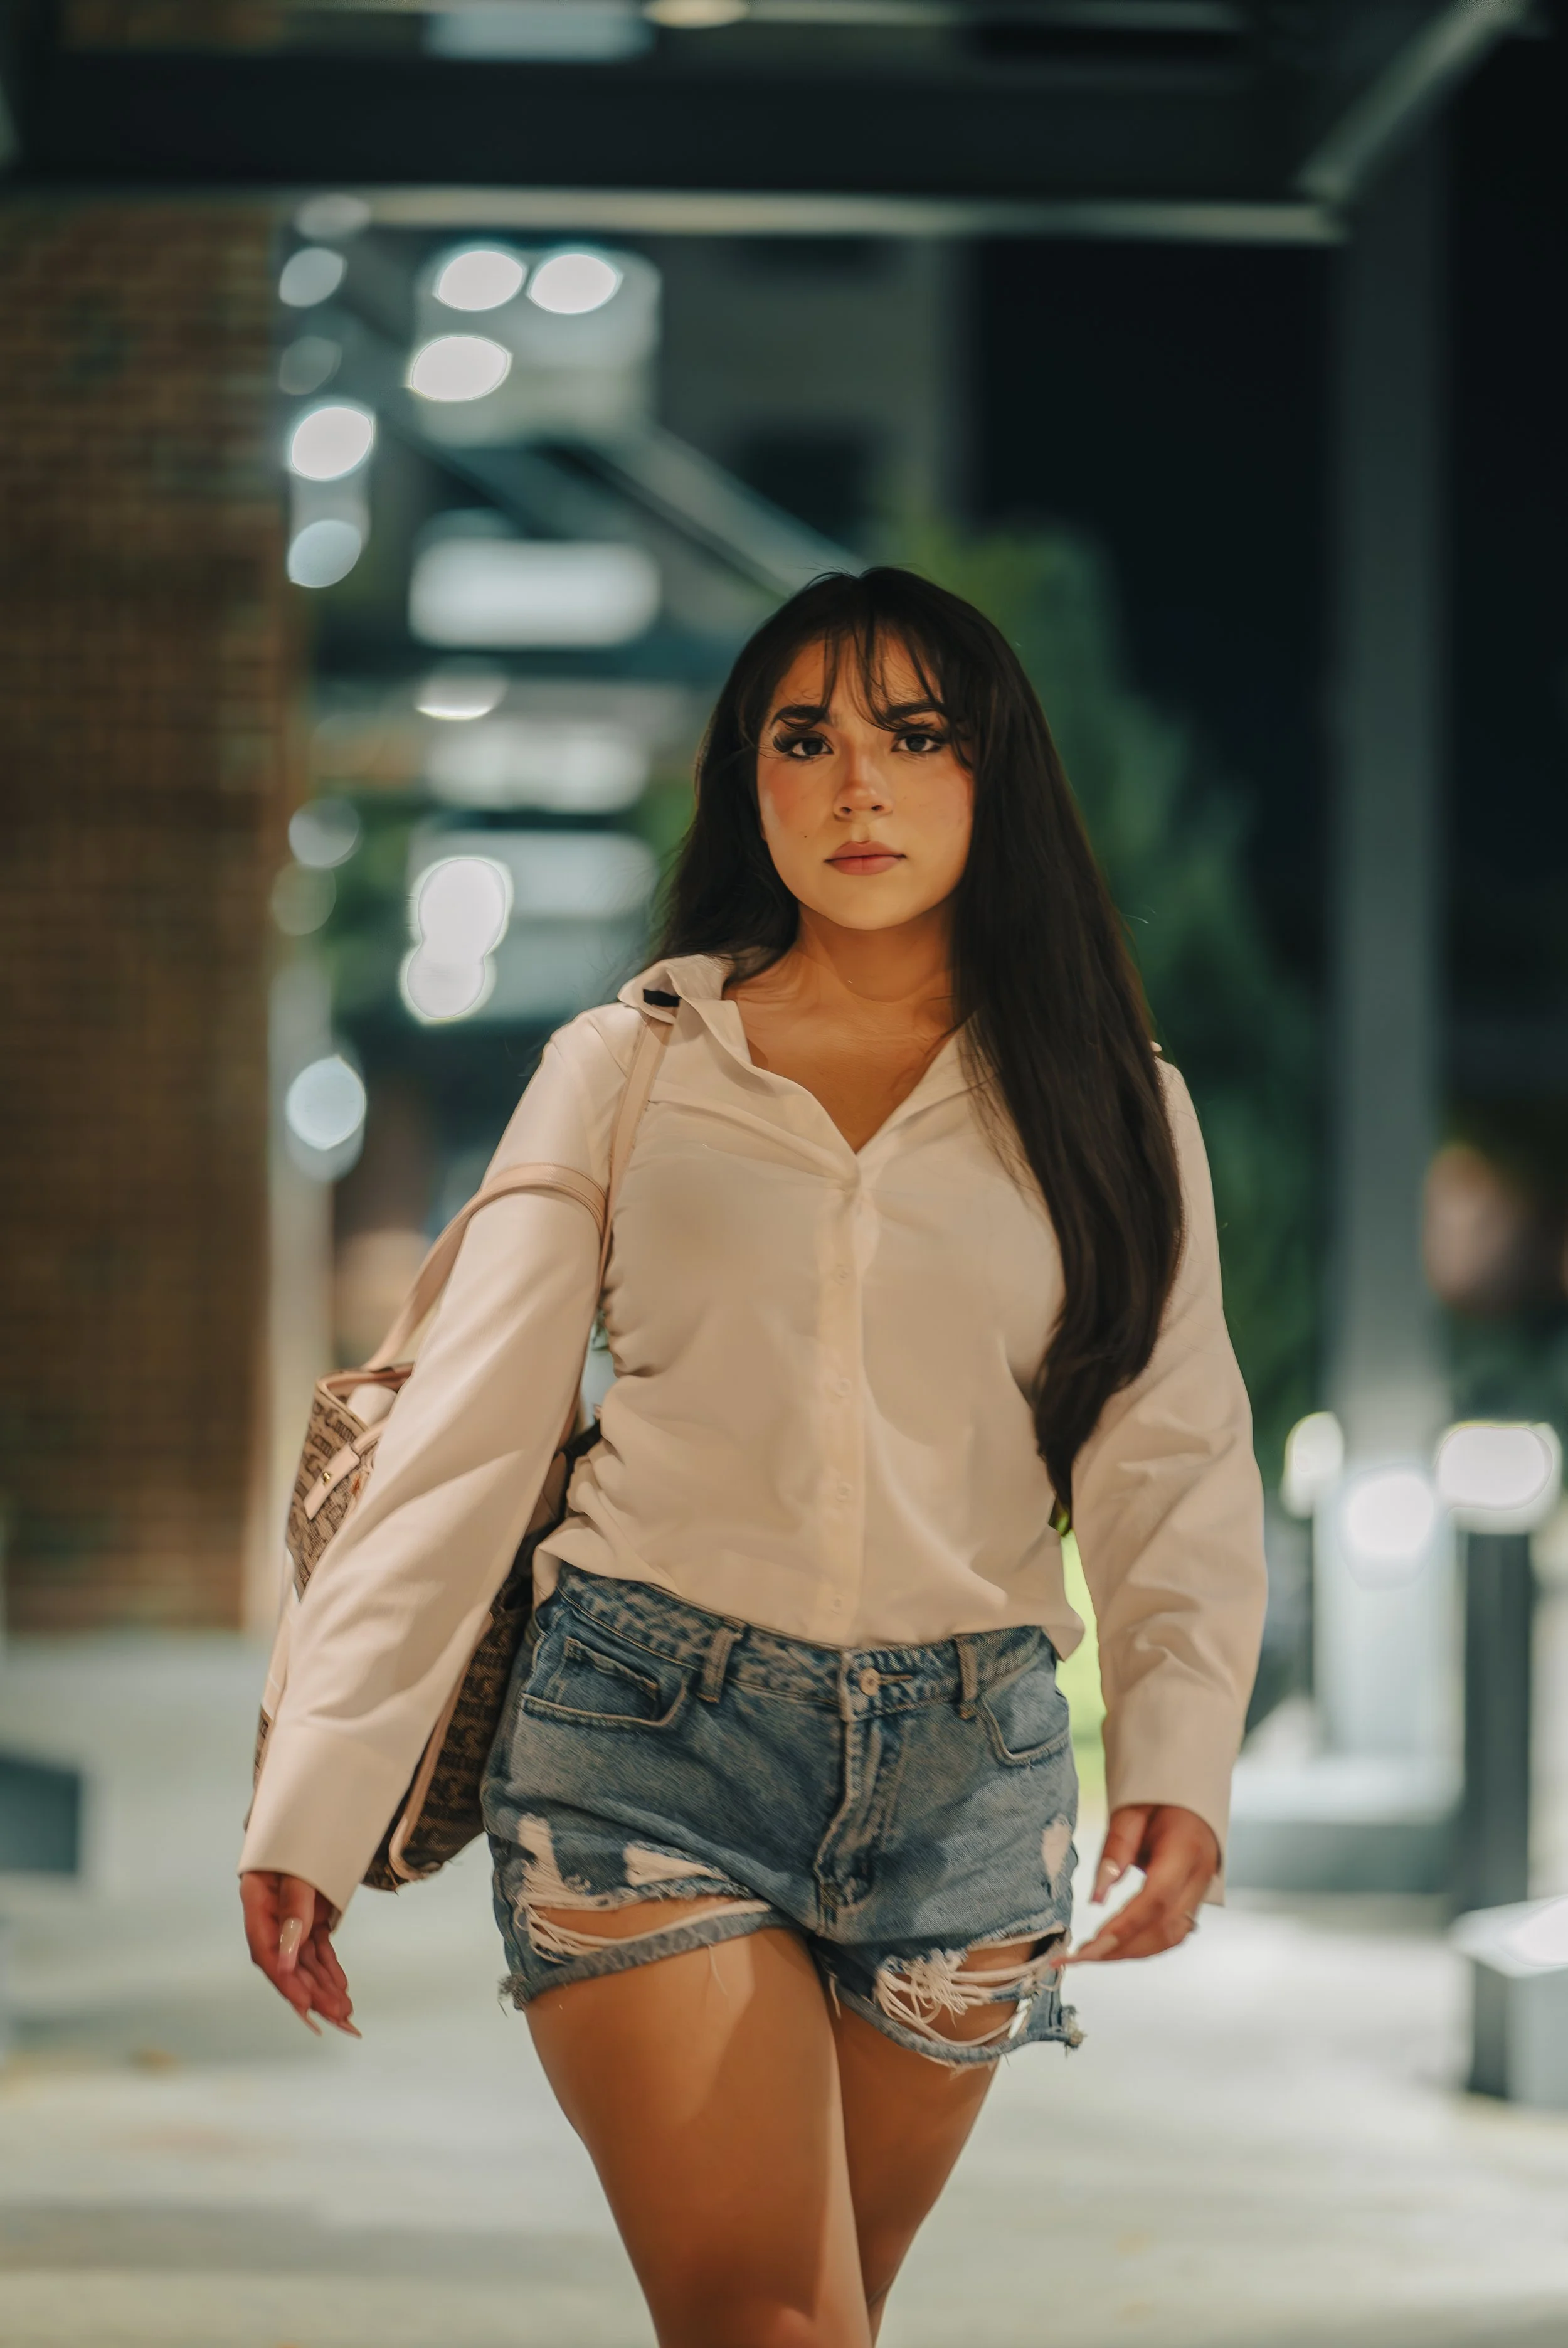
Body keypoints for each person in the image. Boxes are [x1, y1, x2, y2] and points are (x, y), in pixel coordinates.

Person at [240, 567, 1266, 2347]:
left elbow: (1167, 1449)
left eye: (911, 735)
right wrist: (314, 1790)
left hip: (972, 1782)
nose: (855, 783)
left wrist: (1179, 1747)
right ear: (749, 779)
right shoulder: (629, 1066)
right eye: (805, 737)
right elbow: (461, 1441)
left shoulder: (1112, 1097)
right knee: (776, 2324)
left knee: (823, 2317)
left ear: (989, 775)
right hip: (649, 1747)